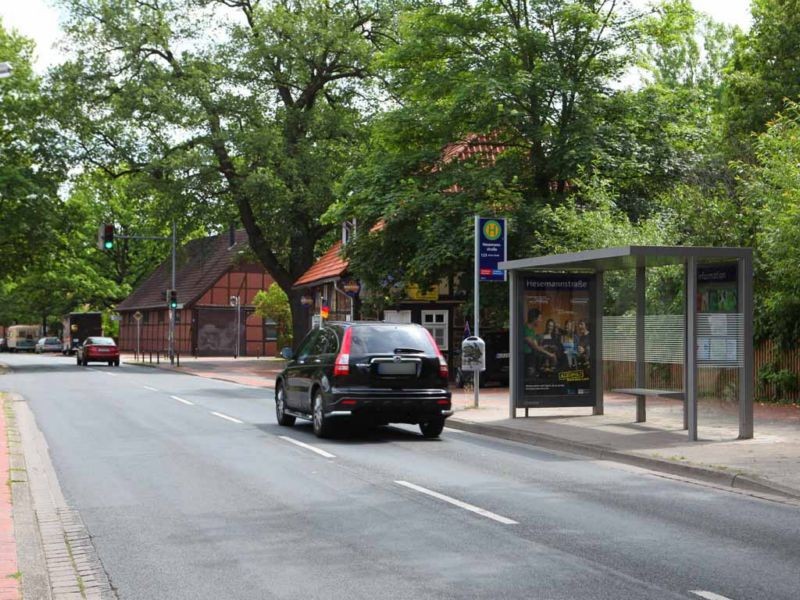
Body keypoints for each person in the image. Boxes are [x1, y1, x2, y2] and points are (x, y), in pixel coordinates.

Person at [523, 308, 557, 377]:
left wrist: (547, 347)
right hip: (526, 361)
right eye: (540, 318)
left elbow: (537, 346)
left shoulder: (532, 331)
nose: (541, 320)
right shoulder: (524, 329)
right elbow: (535, 347)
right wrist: (550, 354)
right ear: (534, 319)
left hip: (532, 361)